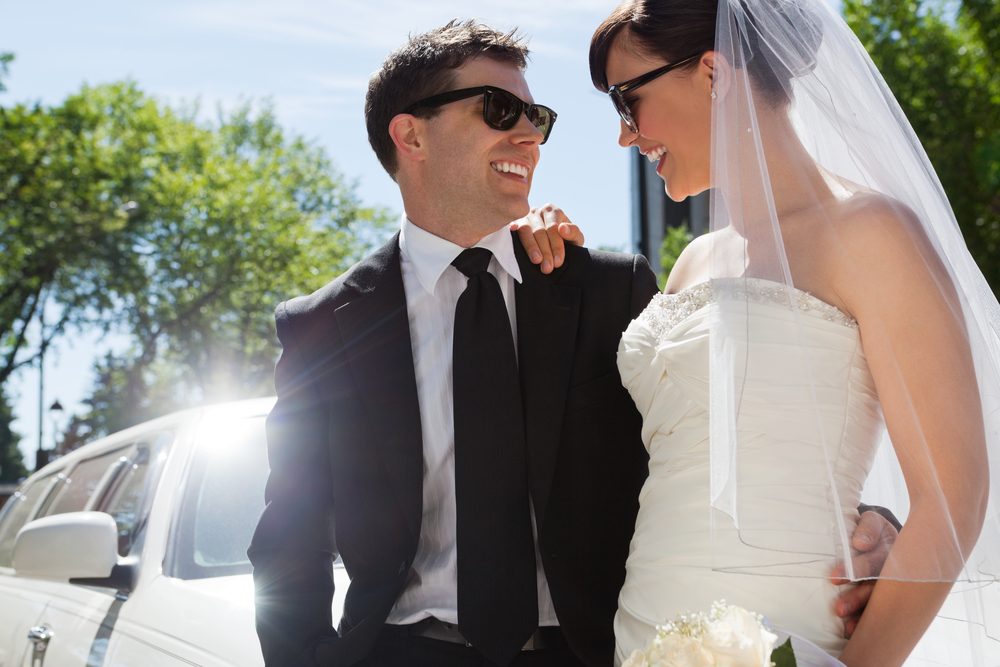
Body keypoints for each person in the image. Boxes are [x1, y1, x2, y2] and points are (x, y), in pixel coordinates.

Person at [248, 17, 898, 667]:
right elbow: (289, 540)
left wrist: (863, 524)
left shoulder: (610, 292)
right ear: (410, 133)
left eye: (538, 116)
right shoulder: (324, 325)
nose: (529, 134)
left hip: (587, 653)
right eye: (501, 110)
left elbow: (706, 440)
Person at [543, 0, 1000, 664]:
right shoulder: (695, 260)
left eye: (626, 101)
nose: (624, 135)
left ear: (712, 74)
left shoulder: (872, 233)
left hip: (788, 635)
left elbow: (954, 493)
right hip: (641, 630)